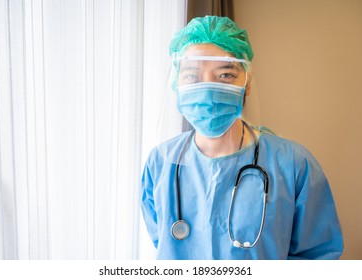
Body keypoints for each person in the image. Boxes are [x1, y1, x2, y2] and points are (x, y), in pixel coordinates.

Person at [141, 15, 343, 259]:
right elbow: (162, 242)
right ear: (176, 83)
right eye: (192, 76)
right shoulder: (161, 163)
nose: (208, 90)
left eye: (225, 75)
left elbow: (318, 257)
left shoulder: (293, 164)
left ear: (246, 82)